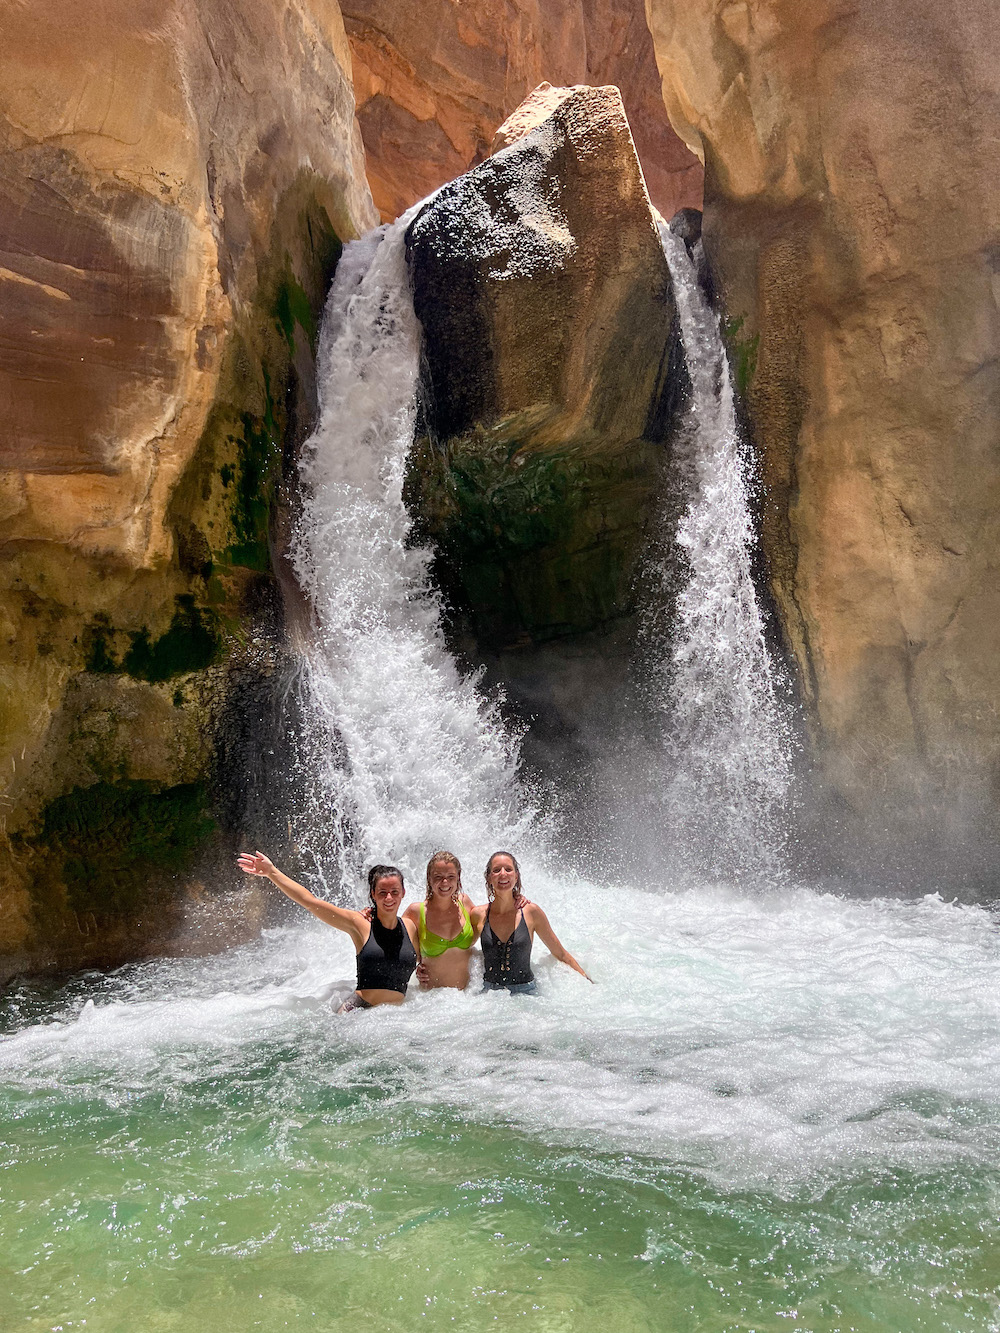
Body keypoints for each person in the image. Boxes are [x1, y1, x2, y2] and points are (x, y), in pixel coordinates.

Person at [236, 852, 418, 1012]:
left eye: (394, 892)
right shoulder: (359, 924)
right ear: (373, 893)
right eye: (382, 892)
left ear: (403, 892)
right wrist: (272, 872)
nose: (389, 897)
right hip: (359, 1012)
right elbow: (311, 902)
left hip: (397, 1017)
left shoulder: (411, 927)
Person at [480, 850, 592, 993]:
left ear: (516, 875)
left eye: (508, 869)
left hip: (526, 994)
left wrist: (589, 983)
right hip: (489, 995)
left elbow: (560, 953)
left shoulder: (531, 912)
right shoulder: (479, 914)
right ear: (489, 877)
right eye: (496, 870)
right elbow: (458, 943)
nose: (503, 873)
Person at [404, 850, 481, 990]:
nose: (444, 882)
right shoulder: (416, 912)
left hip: (468, 999)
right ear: (429, 878)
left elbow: (495, 912)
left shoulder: (465, 903)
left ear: (458, 878)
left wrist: (517, 898)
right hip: (433, 1001)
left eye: (451, 876)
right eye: (438, 876)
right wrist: (414, 968)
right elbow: (394, 942)